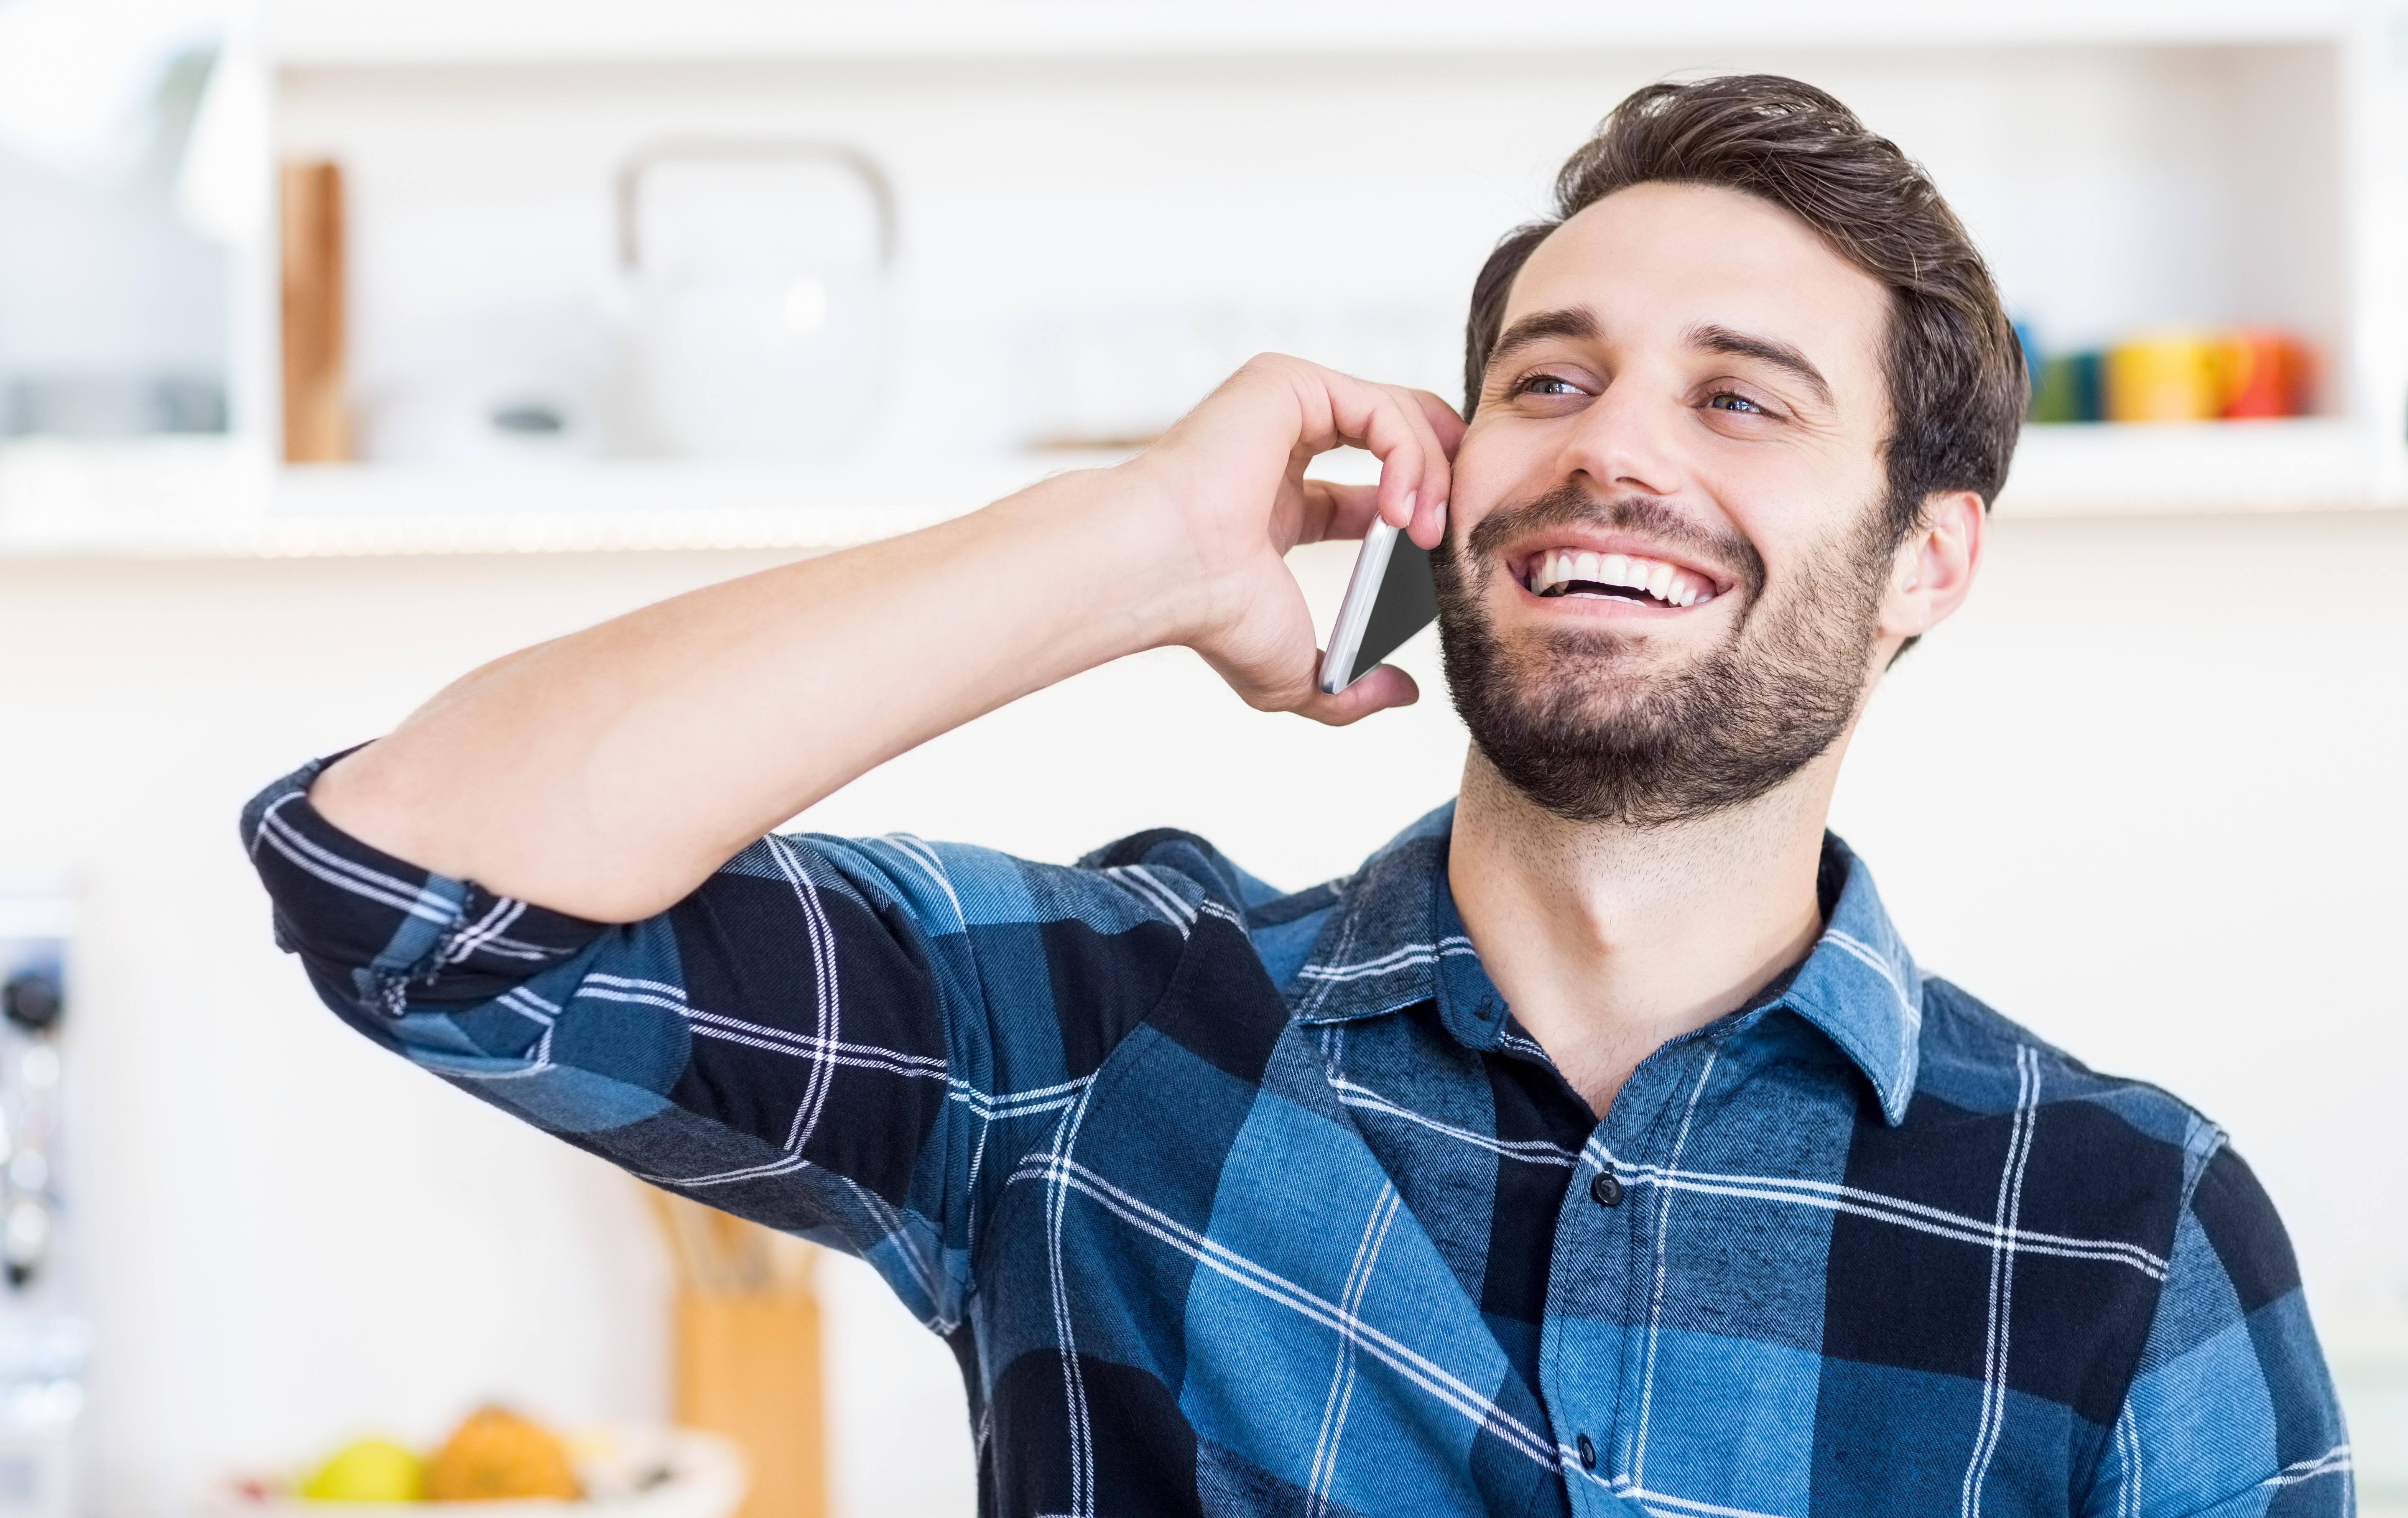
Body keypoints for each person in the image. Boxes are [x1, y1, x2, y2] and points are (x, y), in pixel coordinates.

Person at [242, 76, 2348, 1516]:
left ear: (1929, 561)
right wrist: (1135, 542)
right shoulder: (1088, 1039)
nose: (1615, 447)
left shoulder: (2128, 1237)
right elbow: (407, 884)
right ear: (1450, 488)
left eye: (1739, 396)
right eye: (1549, 376)